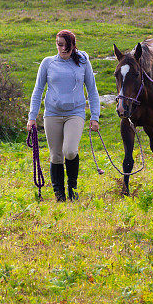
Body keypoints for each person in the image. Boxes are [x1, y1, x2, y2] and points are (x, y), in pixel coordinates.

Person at [27, 30, 100, 201]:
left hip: (75, 113)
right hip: (52, 114)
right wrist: (32, 116)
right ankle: (59, 195)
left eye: (66, 46)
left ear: (73, 46)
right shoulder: (47, 63)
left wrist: (95, 116)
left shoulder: (83, 62)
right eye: (59, 45)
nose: (62, 49)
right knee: (56, 155)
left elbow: (92, 90)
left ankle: (72, 189)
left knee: (69, 151)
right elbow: (37, 90)